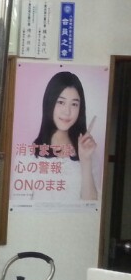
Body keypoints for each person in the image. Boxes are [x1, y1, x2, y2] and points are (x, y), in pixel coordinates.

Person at [31, 71, 98, 201]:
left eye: (74, 104)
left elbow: (91, 206)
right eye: (61, 102)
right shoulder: (29, 154)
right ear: (49, 103)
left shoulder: (88, 152)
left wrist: (85, 160)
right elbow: (19, 205)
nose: (67, 112)